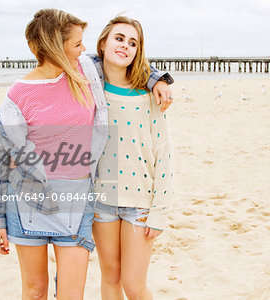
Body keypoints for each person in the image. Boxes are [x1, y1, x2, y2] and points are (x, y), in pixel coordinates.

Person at [0, 9, 173, 299]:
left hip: (81, 202)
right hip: (35, 203)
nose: (83, 49)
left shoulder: (85, 74)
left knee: (79, 292)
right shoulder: (21, 94)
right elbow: (2, 161)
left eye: (83, 44)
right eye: (77, 44)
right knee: (36, 290)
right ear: (55, 46)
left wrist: (157, 79)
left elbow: (120, 60)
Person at [92, 16, 174, 300]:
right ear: (103, 43)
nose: (125, 45)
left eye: (133, 42)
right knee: (110, 278)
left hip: (140, 205)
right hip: (100, 202)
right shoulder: (90, 91)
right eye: (119, 38)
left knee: (134, 286)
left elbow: (163, 153)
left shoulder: (150, 95)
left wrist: (160, 210)